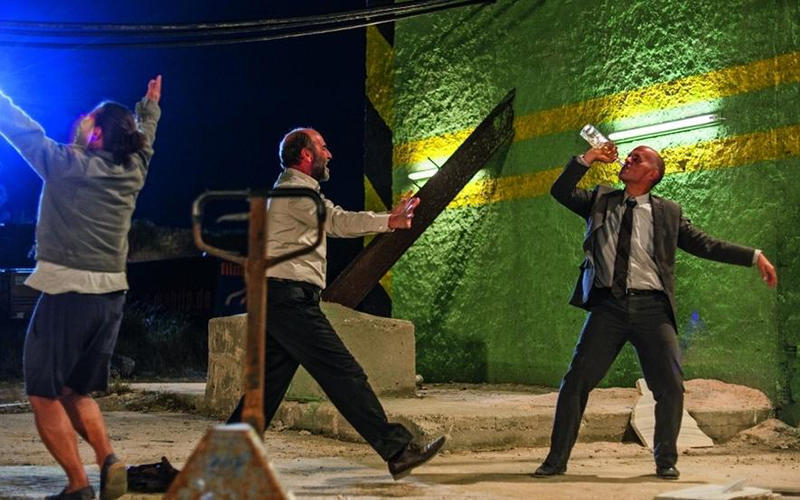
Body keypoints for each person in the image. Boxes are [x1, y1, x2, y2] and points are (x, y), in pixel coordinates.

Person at [534, 143, 777, 480]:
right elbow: (560, 191)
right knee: (576, 382)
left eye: (639, 158)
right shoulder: (600, 200)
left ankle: (666, 461)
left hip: (653, 309)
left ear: (652, 174)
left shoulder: (668, 212)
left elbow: (706, 244)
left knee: (670, 387)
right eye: (629, 155)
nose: (629, 158)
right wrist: (587, 159)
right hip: (608, 306)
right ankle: (555, 461)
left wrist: (754, 256)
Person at [226, 127, 446, 480]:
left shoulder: (295, 192)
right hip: (289, 300)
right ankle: (398, 450)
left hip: (279, 298)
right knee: (343, 373)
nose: (329, 154)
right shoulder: (295, 192)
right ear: (306, 155)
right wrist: (389, 220)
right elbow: (336, 221)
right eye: (323, 147)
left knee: (263, 392)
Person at [0, 75, 162, 499]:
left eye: (88, 118)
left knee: (42, 393)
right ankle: (109, 462)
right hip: (111, 297)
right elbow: (146, 141)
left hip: (69, 292)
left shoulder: (65, 164)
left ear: (97, 134)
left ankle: (77, 485)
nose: (81, 120)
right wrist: (149, 109)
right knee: (75, 390)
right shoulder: (134, 171)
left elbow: (20, 128)